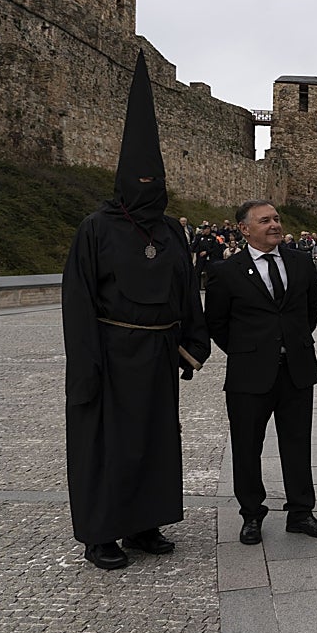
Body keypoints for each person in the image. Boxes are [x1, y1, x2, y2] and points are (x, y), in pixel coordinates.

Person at [62, 51, 210, 570]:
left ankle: (146, 524)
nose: (149, 189)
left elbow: (188, 288)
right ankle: (102, 533)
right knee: (108, 445)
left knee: (153, 441)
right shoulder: (96, 230)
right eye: (140, 180)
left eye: (156, 181)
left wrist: (192, 341)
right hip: (109, 352)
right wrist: (86, 363)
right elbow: (77, 302)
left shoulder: (170, 231)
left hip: (156, 354)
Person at [204, 200, 317, 545]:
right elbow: (217, 322)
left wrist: (293, 341)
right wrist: (249, 350)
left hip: (296, 370)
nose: (275, 224)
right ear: (245, 229)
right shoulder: (227, 271)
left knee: (297, 444)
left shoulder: (300, 262)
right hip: (249, 375)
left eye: (276, 218)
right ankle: (251, 514)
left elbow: (312, 307)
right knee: (247, 447)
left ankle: (301, 513)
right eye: (265, 221)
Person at [191, 223, 224, 290]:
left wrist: (207, 252)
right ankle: (197, 287)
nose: (205, 230)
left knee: (209, 272)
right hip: (200, 257)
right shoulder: (199, 237)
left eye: (207, 229)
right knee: (198, 272)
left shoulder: (213, 238)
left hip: (209, 257)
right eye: (204, 229)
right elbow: (194, 246)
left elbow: (215, 248)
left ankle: (209, 286)